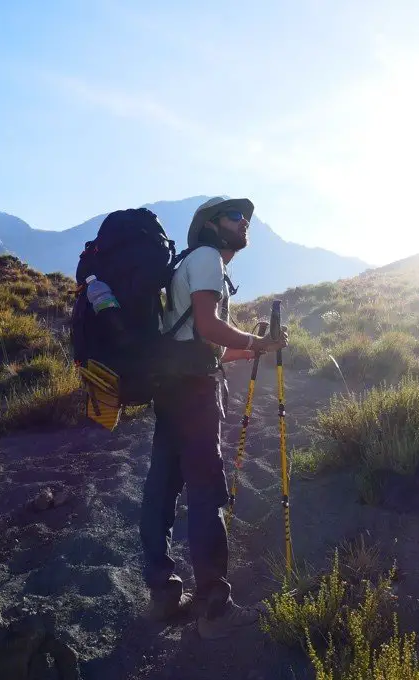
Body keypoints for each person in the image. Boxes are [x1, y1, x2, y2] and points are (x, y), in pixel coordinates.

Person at [139, 196, 289, 639]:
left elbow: (211, 342)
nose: (244, 224)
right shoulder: (206, 258)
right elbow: (208, 325)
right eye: (235, 217)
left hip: (173, 387)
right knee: (207, 492)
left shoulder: (191, 263)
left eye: (246, 218)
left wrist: (255, 346)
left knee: (162, 487)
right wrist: (255, 341)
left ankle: (162, 592)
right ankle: (214, 607)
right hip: (196, 393)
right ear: (210, 225)